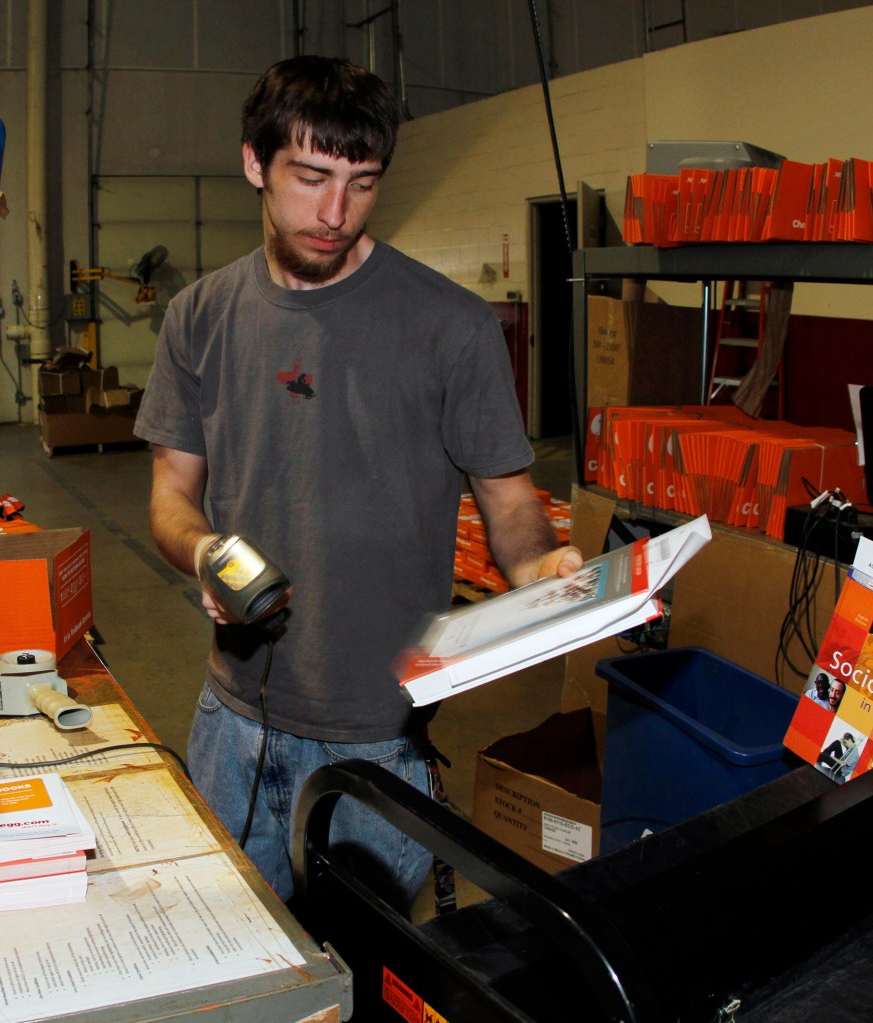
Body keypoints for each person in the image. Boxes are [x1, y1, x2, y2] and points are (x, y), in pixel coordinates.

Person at [133, 55, 582, 913]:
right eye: (310, 178)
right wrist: (204, 553)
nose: (334, 213)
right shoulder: (200, 315)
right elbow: (169, 495)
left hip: (382, 741)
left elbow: (513, 502)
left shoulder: (452, 326)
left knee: (365, 977)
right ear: (254, 164)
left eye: (362, 183)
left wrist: (535, 571)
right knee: (248, 977)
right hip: (231, 725)